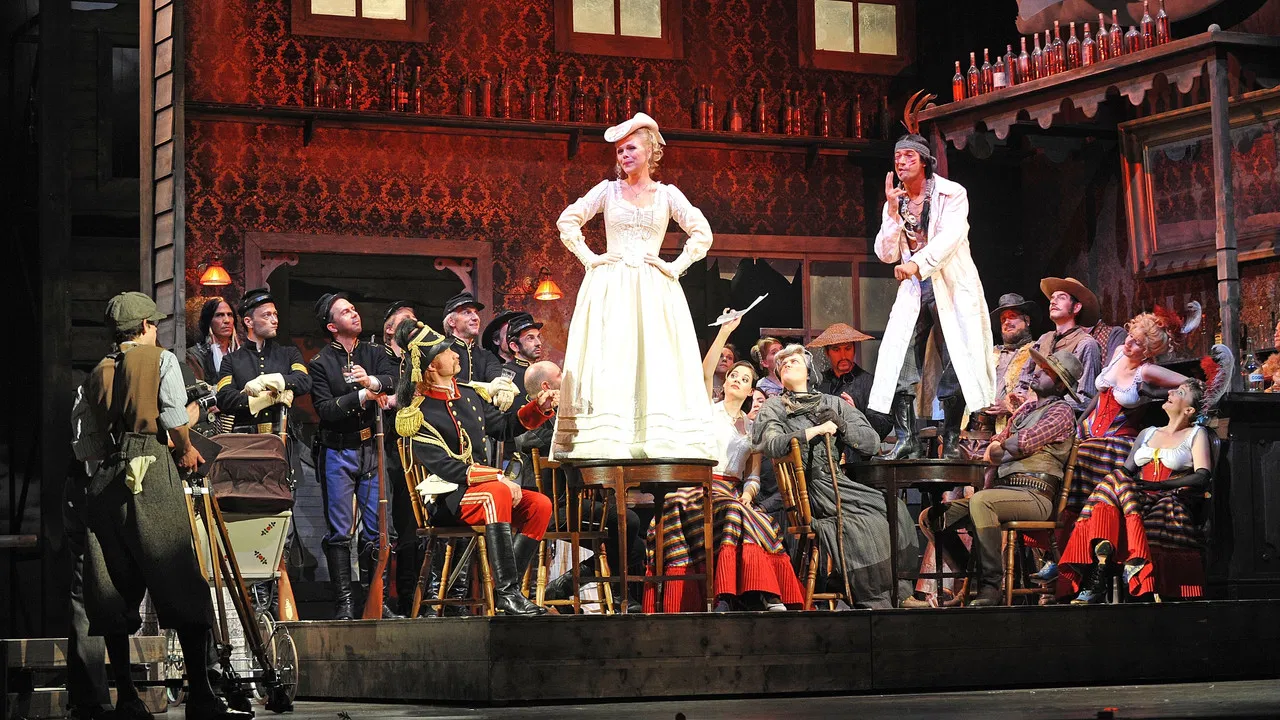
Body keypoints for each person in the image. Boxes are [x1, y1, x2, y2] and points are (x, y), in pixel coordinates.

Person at [71, 291, 248, 720]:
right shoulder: (162, 360)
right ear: (147, 326)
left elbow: (84, 444)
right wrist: (185, 448)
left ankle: (127, 699)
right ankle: (201, 696)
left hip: (106, 483)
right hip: (151, 472)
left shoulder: (95, 374)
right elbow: (173, 417)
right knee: (180, 578)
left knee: (112, 588)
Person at [551, 112, 716, 461]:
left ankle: (654, 437)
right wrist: (590, 257)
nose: (624, 155)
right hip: (612, 284)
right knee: (613, 353)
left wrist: (675, 267)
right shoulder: (608, 191)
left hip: (653, 286)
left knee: (655, 354)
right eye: (620, 151)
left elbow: (702, 232)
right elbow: (568, 219)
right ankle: (611, 437)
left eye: (631, 149)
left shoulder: (667, 195)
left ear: (650, 151)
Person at [394, 321, 558, 616]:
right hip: (449, 498)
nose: (455, 354)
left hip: (486, 492)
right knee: (497, 493)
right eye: (447, 352)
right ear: (431, 366)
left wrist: (539, 407)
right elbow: (445, 467)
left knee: (540, 505)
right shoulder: (418, 412)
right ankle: (508, 594)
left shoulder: (469, 395)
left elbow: (505, 428)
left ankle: (507, 589)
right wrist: (498, 477)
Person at [644, 315, 804, 612]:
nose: (737, 380)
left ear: (750, 391)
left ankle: (752, 594)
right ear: (727, 381)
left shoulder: (754, 429)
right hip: (699, 486)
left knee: (756, 516)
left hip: (731, 492)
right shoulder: (708, 411)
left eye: (744, 379)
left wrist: (749, 494)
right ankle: (740, 595)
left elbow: (753, 476)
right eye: (733, 376)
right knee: (734, 512)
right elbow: (706, 374)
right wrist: (724, 332)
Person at [753, 345, 918, 609]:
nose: (787, 364)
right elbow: (770, 444)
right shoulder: (774, 406)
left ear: (809, 371)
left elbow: (871, 442)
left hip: (839, 483)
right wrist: (812, 431)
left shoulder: (832, 403)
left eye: (794, 361)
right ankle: (873, 598)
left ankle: (901, 591)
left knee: (894, 508)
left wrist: (842, 425)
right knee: (863, 524)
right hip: (808, 491)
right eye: (782, 363)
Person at [869, 129, 995, 460]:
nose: (901, 162)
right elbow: (885, 253)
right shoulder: (896, 202)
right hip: (915, 289)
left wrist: (918, 263)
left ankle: (950, 438)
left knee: (958, 356)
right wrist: (892, 214)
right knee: (899, 356)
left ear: (924, 161)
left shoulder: (952, 193)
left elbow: (951, 237)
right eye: (897, 157)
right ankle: (907, 439)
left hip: (950, 283)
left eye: (908, 156)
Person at [926, 348, 1082, 607]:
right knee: (932, 518)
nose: (1037, 372)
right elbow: (994, 449)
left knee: (982, 502)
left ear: (1058, 385)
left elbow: (1023, 442)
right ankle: (974, 578)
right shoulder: (1025, 410)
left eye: (1046, 371)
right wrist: (1006, 447)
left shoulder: (1061, 411)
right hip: (1003, 493)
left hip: (1035, 497)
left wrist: (1008, 447)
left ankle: (991, 586)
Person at [1058, 379, 1213, 603]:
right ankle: (1101, 563)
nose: (1170, 391)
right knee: (1114, 478)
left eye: (1180, 392)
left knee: (1153, 502)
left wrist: (1160, 486)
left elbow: (1202, 475)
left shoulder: (1196, 434)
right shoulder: (1147, 433)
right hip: (1139, 497)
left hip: (1171, 496)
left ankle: (1100, 575)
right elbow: (1126, 471)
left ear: (1189, 410)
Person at [516, 360, 647, 612]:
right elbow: (530, 440)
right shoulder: (529, 417)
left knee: (636, 547)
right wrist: (559, 417)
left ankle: (563, 586)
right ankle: (619, 594)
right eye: (560, 374)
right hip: (551, 508)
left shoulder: (567, 413)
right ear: (547, 386)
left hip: (575, 502)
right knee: (627, 521)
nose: (566, 378)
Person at [308, 292, 401, 620]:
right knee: (340, 531)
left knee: (378, 530)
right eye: (345, 311)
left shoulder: (374, 353)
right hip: (338, 451)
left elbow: (394, 381)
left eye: (353, 308)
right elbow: (325, 409)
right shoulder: (320, 363)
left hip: (372, 449)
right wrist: (362, 395)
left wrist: (373, 382)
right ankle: (345, 604)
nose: (354, 313)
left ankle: (376, 602)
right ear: (332, 326)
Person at [380, 301, 428, 616]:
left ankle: (410, 598)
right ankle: (381, 598)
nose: (414, 323)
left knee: (413, 527)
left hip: (415, 451)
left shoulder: (419, 360)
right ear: (389, 328)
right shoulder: (378, 358)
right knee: (386, 527)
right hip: (385, 451)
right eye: (405, 319)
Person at [214, 288, 312, 433]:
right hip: (247, 439)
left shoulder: (289, 353)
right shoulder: (231, 360)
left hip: (284, 435)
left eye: (275, 314)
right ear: (249, 322)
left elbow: (304, 381)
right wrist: (264, 399)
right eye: (267, 315)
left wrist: (270, 380)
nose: (275, 320)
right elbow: (224, 398)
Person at [1018, 277, 1103, 411]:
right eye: (1052, 298)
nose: (1053, 301)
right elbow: (1025, 377)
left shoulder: (1086, 343)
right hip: (1032, 415)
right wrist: (1020, 398)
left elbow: (1086, 399)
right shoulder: (1044, 339)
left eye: (1062, 297)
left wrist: (1044, 403)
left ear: (1076, 307)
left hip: (1061, 417)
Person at [809, 322, 893, 441]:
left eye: (848, 349)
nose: (843, 356)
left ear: (854, 350)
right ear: (827, 353)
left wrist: (856, 414)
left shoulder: (870, 382)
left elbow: (885, 423)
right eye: (836, 350)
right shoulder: (819, 383)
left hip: (858, 449)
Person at [442, 291, 503, 385]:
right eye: (467, 312)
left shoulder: (486, 355)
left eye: (476, 312)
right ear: (452, 321)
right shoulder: (441, 351)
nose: (475, 318)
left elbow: (496, 378)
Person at [187, 296, 239, 384]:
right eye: (219, 315)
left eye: (230, 315)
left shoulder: (241, 352)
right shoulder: (194, 356)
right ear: (209, 321)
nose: (227, 320)